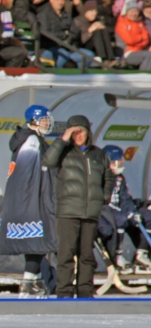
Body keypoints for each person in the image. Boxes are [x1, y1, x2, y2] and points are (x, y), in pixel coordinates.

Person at [41, 115, 113, 299]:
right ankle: (64, 292)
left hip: (90, 212)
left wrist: (104, 196)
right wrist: (63, 139)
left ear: (88, 132)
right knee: (66, 254)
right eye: (74, 132)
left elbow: (109, 176)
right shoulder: (63, 153)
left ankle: (85, 292)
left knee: (87, 256)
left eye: (82, 131)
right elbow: (48, 161)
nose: (79, 135)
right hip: (68, 212)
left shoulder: (98, 154)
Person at [0, 105, 58, 297]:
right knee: (36, 241)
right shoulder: (32, 141)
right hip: (30, 200)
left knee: (36, 242)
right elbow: (26, 174)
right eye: (43, 121)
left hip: (29, 198)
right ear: (33, 121)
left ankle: (33, 279)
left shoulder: (34, 139)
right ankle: (29, 281)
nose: (47, 124)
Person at [98, 145, 151, 272]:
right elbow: (102, 201)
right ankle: (117, 256)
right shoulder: (100, 177)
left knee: (147, 216)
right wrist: (124, 213)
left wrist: (132, 212)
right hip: (105, 212)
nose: (121, 162)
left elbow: (125, 199)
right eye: (119, 160)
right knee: (120, 219)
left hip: (120, 210)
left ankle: (142, 254)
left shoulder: (120, 177)